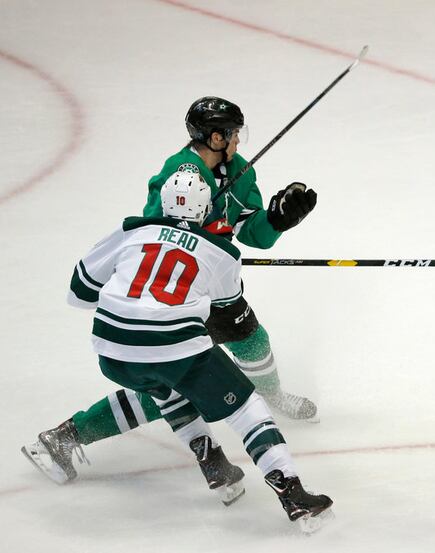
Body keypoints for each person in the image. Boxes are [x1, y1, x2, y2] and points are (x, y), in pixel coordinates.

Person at [21, 97, 320, 491]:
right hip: (177, 293)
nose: (237, 140)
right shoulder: (178, 173)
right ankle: (66, 436)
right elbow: (160, 231)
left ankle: (272, 395)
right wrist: (207, 241)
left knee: (251, 338)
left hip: (209, 283)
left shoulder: (241, 170)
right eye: (233, 133)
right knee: (167, 383)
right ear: (216, 137)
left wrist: (277, 220)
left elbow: (252, 232)